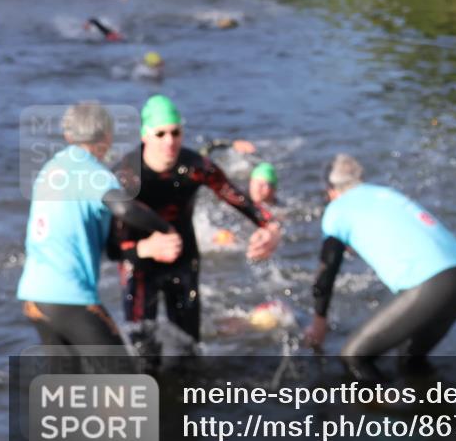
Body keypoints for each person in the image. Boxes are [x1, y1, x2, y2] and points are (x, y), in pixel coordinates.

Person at [111, 95, 281, 361]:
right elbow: (108, 244)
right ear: (145, 136)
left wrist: (271, 227)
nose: (170, 141)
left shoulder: (195, 167)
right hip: (139, 265)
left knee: (190, 349)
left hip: (184, 259)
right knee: (144, 352)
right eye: (161, 133)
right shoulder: (125, 174)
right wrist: (144, 248)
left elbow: (238, 198)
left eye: (176, 132)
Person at [17, 102, 182, 356]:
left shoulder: (50, 169)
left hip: (33, 297)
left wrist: (143, 248)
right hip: (70, 299)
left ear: (67, 135)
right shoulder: (93, 173)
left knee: (68, 385)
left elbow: (107, 245)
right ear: (107, 135)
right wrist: (166, 230)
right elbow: (125, 209)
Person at [303, 154, 456, 380]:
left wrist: (318, 322)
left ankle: (380, 413)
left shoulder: (337, 209)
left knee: (354, 356)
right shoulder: (385, 194)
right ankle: (435, 412)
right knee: (409, 362)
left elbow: (327, 272)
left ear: (331, 191)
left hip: (431, 284)